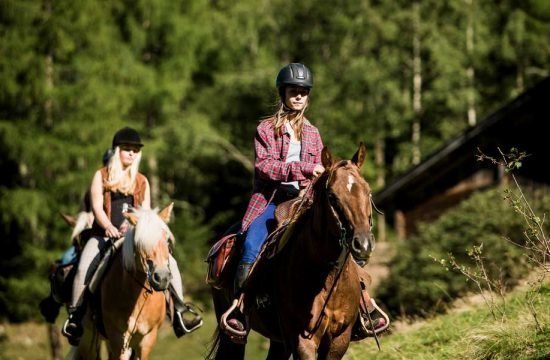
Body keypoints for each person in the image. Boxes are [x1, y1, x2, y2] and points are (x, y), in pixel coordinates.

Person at [225, 63, 388, 339]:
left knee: (338, 237)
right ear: (283, 93)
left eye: (303, 92)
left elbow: (321, 169)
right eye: (293, 91)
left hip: (306, 199)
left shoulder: (313, 133)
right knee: (252, 241)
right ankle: (241, 307)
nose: (298, 96)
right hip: (271, 200)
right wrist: (301, 169)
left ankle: (362, 305)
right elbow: (264, 166)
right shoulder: (265, 129)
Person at [62, 127, 202, 345]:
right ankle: (76, 317)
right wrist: (108, 226)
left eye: (135, 150)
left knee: (169, 263)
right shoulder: (101, 176)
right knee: (83, 267)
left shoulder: (142, 181)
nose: (131, 153)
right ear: (116, 151)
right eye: (126, 149)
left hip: (132, 236)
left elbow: (145, 213)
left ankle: (180, 313)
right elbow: (97, 207)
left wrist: (132, 228)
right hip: (103, 234)